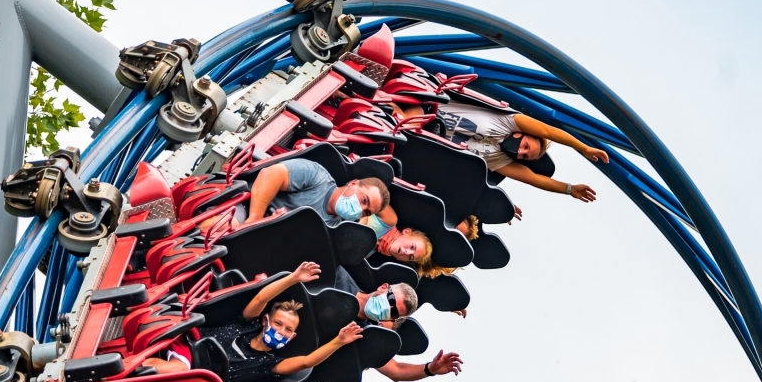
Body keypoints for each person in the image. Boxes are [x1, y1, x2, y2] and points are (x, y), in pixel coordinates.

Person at [145, 262, 362, 382]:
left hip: (195, 381)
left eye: (287, 330)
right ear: (265, 320)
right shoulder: (246, 324)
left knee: (177, 375)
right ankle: (118, 371)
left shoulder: (269, 364)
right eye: (278, 323)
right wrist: (293, 278)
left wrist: (339, 341)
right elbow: (260, 299)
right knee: (177, 368)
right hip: (186, 344)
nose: (280, 331)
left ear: (292, 337)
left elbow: (306, 362)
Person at [398, 100, 608, 202]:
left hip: (413, 140)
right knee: (405, 120)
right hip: (425, 108)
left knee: (402, 131)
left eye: (524, 156)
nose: (521, 152)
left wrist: (569, 189)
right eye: (526, 146)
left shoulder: (498, 161)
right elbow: (549, 131)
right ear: (524, 133)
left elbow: (534, 179)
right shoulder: (508, 122)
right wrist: (583, 147)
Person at [332, 277, 463, 381]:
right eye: (390, 300)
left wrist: (431, 369)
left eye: (393, 312)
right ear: (383, 287)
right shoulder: (340, 277)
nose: (388, 308)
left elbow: (396, 370)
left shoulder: (364, 335)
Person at [246, 157, 390, 227]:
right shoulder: (317, 176)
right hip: (245, 207)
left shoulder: (333, 229)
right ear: (353, 183)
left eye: (366, 212)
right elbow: (270, 175)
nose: (361, 209)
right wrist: (254, 219)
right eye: (364, 200)